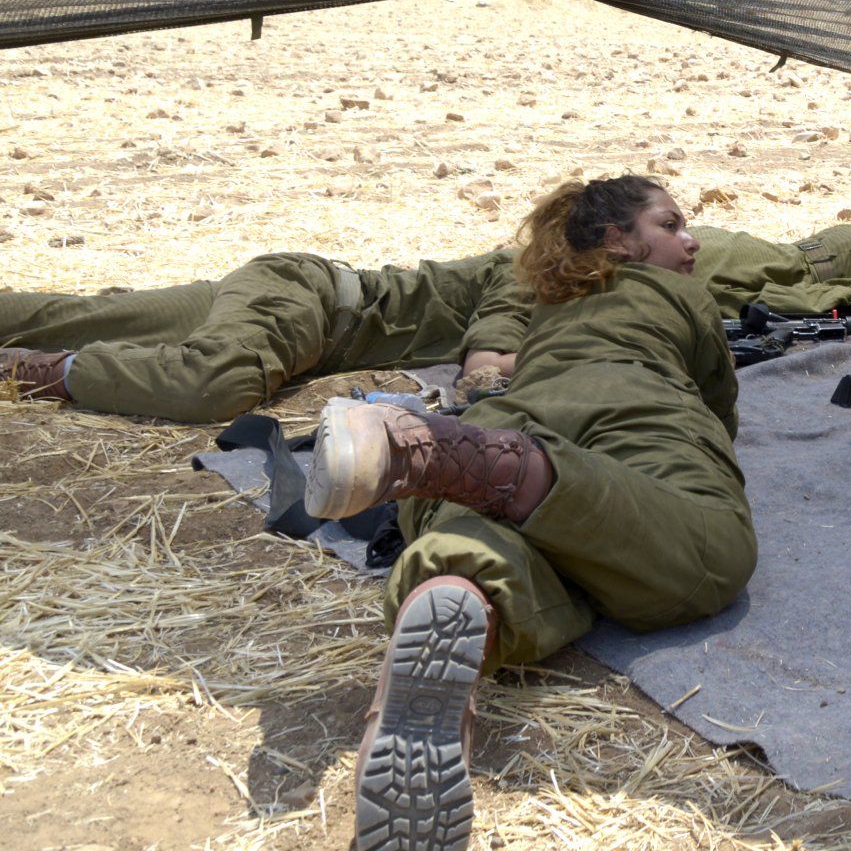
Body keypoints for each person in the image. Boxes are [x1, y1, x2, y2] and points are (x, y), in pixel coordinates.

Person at [303, 174, 755, 851]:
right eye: (670, 225)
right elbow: (719, 407)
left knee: (501, 542)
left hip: (508, 416)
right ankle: (506, 470)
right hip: (631, 407)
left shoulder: (550, 303)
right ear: (617, 240)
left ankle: (460, 583)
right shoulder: (680, 292)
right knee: (709, 550)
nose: (690, 242)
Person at [0, 246, 531, 422]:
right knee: (209, 383)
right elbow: (485, 371)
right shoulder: (530, 273)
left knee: (80, 318)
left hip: (286, 292)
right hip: (310, 305)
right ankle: (29, 371)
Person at [691, 222, 851, 315]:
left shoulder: (696, 285)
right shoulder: (689, 234)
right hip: (837, 245)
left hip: (850, 261)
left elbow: (799, 302)